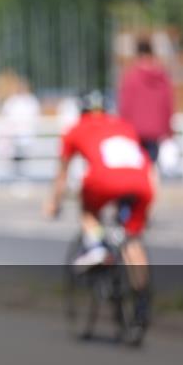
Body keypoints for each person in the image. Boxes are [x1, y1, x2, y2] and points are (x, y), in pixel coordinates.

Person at [44, 91, 154, 282]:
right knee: (132, 239)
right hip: (142, 183)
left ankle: (97, 247)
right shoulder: (124, 125)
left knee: (87, 210)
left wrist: (54, 202)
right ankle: (141, 301)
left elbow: (62, 174)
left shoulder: (75, 128)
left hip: (104, 180)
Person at [118, 37, 173, 164]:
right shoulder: (161, 76)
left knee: (137, 166)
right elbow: (167, 104)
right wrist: (168, 129)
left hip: (134, 129)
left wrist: (123, 126)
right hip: (156, 130)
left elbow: (125, 105)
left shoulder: (131, 76)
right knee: (151, 165)